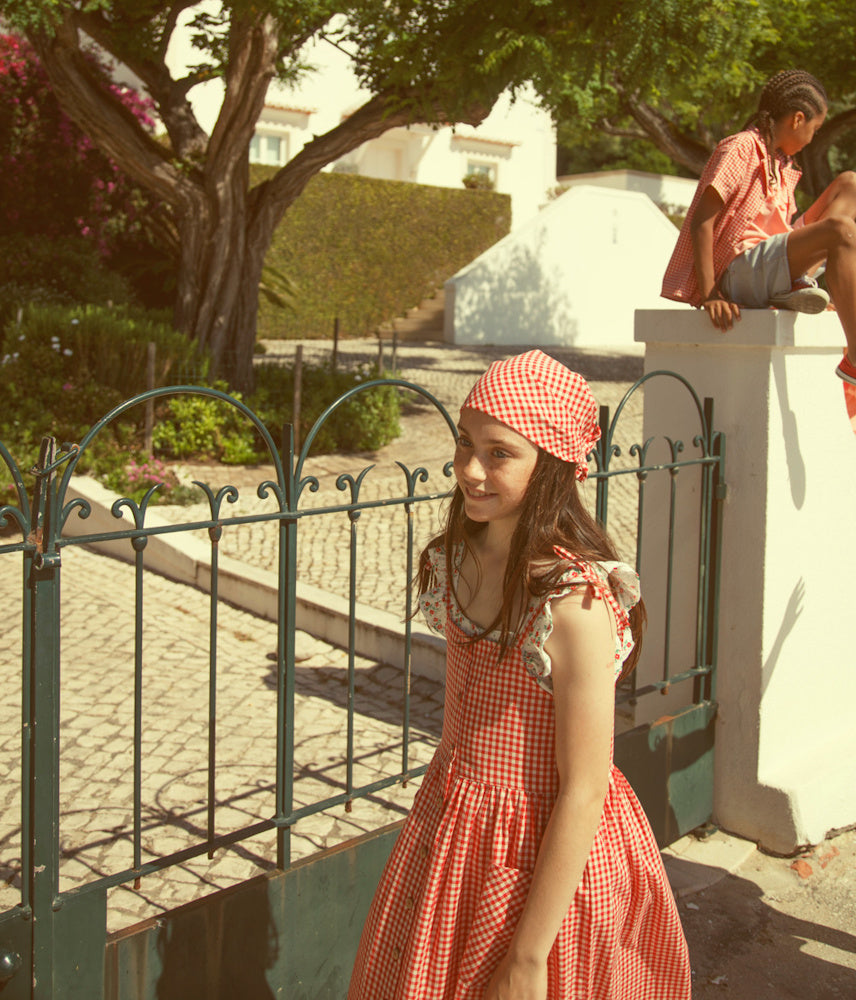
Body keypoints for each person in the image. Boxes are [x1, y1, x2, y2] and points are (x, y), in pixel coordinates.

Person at [348, 350, 691, 1000]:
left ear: (551, 465)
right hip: (453, 835)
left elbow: (585, 788)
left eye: (499, 452)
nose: (470, 470)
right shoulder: (453, 565)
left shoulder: (574, 603)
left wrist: (531, 958)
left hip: (545, 861)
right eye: (464, 444)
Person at [662, 69, 856, 386]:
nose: (813, 138)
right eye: (815, 128)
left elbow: (779, 231)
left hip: (770, 262)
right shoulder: (739, 148)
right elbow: (701, 220)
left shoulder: (780, 162)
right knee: (842, 230)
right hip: (741, 269)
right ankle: (855, 360)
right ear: (797, 119)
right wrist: (711, 293)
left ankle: (798, 283)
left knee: (851, 183)